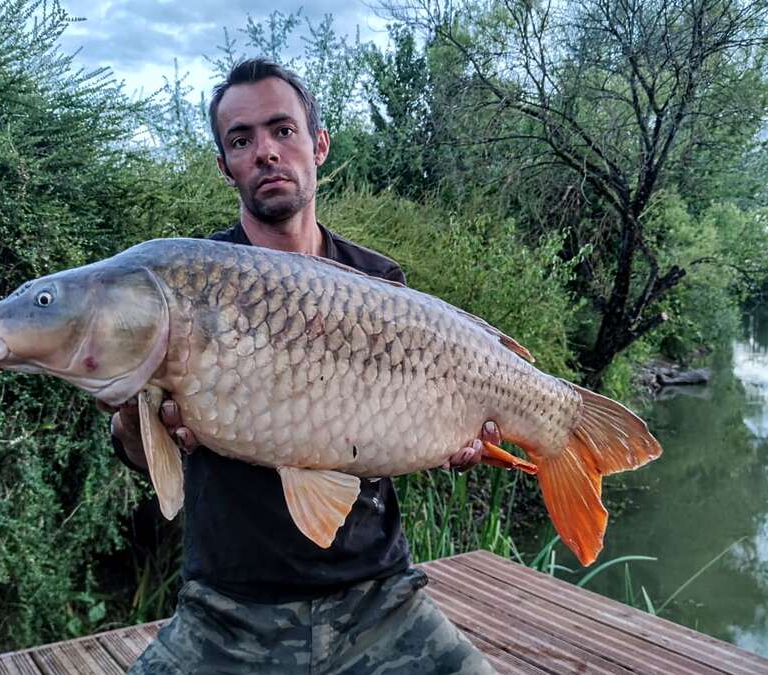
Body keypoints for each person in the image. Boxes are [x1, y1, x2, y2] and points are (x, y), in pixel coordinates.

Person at [106, 58, 500, 674]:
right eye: (242, 140)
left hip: (377, 598)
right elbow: (139, 454)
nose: (265, 152)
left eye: (281, 130)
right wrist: (135, 419)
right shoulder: (190, 282)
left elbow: (412, 428)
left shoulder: (377, 283)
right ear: (225, 166)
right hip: (228, 606)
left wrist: (459, 437)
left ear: (317, 145)